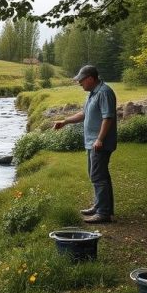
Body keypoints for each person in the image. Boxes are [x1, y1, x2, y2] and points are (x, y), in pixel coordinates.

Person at [53, 64, 117, 224]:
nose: (79, 83)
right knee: (97, 175)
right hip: (92, 143)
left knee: (98, 176)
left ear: (90, 78)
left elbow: (107, 118)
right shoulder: (92, 93)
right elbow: (84, 113)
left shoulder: (104, 92)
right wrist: (65, 121)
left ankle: (103, 213)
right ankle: (100, 206)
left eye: (81, 81)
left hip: (99, 144)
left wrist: (100, 139)